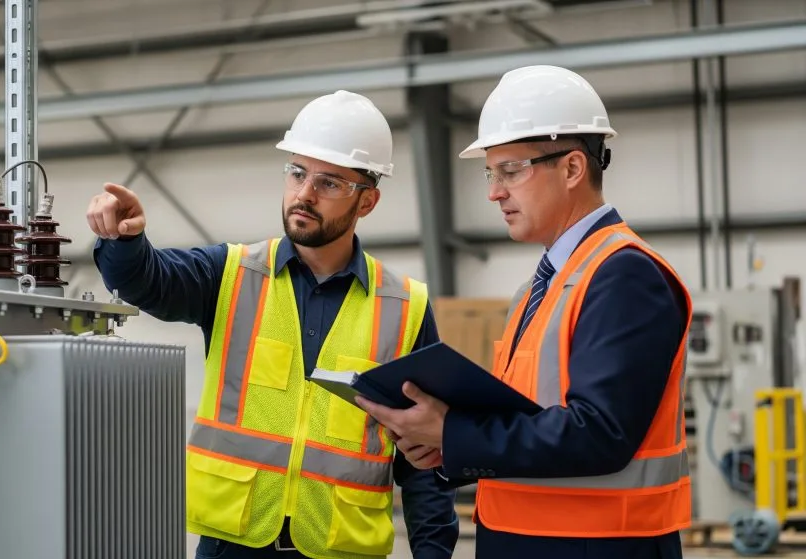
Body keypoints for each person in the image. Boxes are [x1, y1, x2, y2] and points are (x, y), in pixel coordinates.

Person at [86, 90, 459, 559]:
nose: (304, 194)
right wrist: (125, 241)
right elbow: (147, 281)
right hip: (233, 546)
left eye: (330, 183)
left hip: (339, 550)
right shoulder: (231, 273)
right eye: (298, 173)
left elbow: (423, 459)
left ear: (367, 202)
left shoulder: (405, 305)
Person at [355, 65, 692, 559]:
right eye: (491, 173)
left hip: (597, 546)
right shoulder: (545, 284)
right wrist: (447, 446)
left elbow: (599, 432)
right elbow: (528, 417)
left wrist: (454, 431)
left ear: (573, 168)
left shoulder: (623, 275)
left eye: (511, 171)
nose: (494, 192)